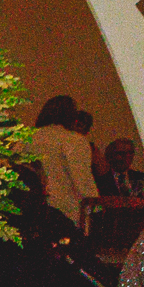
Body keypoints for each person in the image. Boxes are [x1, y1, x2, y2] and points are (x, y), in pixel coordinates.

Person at [31, 95, 98, 231]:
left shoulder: (25, 139)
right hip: (66, 213)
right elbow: (82, 181)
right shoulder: (74, 141)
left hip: (31, 212)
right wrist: (97, 208)